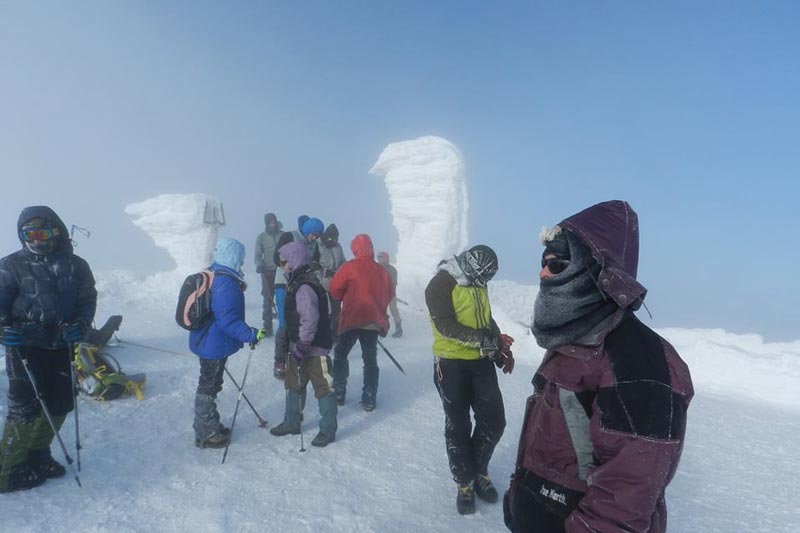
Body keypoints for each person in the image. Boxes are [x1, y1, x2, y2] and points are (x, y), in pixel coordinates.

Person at [503, 200, 694, 533]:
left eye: (557, 263)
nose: (542, 273)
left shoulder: (641, 365)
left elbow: (621, 504)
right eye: (543, 262)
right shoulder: (575, 337)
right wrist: (519, 497)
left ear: (595, 270)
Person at [0, 206, 97, 492]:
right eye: (28, 234)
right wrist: (4, 329)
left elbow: (87, 299)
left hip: (60, 343)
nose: (36, 240)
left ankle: (36, 454)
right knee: (24, 407)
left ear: (56, 231)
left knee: (60, 403)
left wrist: (81, 323)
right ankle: (7, 470)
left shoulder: (76, 265)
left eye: (42, 232)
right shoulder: (10, 265)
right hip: (25, 346)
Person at [425, 244, 514, 515]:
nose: (484, 283)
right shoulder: (440, 283)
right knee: (458, 425)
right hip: (451, 364)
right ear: (471, 266)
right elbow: (445, 326)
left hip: (480, 362)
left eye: (487, 280)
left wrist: (499, 347)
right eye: (482, 278)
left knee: (494, 421)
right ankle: (465, 482)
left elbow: (484, 318)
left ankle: (479, 469)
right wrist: (487, 341)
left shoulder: (477, 282)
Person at [189, 237, 264, 449]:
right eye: (240, 258)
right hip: (213, 344)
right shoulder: (225, 282)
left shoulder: (211, 274)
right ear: (234, 257)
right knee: (209, 385)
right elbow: (228, 320)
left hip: (206, 340)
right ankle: (205, 432)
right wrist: (251, 335)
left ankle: (208, 424)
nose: (241, 263)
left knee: (210, 383)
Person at [269, 241, 337, 447]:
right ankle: (292, 421)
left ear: (296, 260)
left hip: (313, 348)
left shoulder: (305, 286)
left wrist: (302, 346)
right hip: (298, 347)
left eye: (285, 261)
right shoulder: (295, 281)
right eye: (281, 263)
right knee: (293, 384)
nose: (283, 266)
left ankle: (327, 429)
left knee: (323, 387)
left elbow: (310, 319)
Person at [328, 234, 394, 411]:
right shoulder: (382, 271)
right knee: (370, 359)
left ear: (355, 249)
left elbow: (334, 289)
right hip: (372, 322)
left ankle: (339, 391)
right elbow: (389, 293)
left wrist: (345, 297)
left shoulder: (349, 267)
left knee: (341, 354)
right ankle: (369, 396)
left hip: (353, 318)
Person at [272, 215, 322, 379]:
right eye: (314, 234)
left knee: (301, 321)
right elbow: (276, 257)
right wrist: (288, 268)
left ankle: (295, 357)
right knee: (285, 322)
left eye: (318, 235)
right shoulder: (289, 236)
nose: (316, 238)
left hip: (302, 285)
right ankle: (280, 360)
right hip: (284, 284)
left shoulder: (314, 244)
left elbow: (316, 261)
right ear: (307, 231)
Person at [254, 213, 283, 337]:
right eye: (270, 222)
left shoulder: (283, 235)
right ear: (266, 223)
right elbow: (257, 254)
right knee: (268, 299)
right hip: (268, 272)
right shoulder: (261, 237)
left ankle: (285, 325)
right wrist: (259, 264)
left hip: (282, 272)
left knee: (283, 299)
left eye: (274, 221)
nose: (272, 224)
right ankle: (267, 327)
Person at [318, 224, 346, 337]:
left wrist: (339, 272)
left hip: (336, 284)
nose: (334, 241)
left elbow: (343, 262)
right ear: (326, 237)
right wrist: (325, 271)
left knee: (336, 311)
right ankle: (324, 334)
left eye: (336, 238)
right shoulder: (318, 246)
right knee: (324, 311)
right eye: (332, 238)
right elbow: (313, 264)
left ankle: (336, 334)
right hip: (321, 283)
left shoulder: (337, 246)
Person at [376, 251, 402, 338]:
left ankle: (399, 328)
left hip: (390, 294)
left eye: (382, 258)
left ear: (387, 259)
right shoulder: (376, 268)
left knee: (393, 310)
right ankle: (380, 328)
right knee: (379, 312)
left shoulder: (392, 270)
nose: (380, 260)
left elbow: (393, 284)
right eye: (379, 258)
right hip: (379, 294)